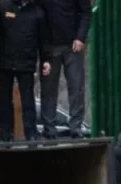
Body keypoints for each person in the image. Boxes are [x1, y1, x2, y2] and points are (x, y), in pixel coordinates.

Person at [0, 0, 51, 142]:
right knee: (4, 100)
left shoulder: (38, 12)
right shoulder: (2, 6)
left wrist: (46, 60)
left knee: (28, 101)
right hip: (3, 62)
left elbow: (43, 40)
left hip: (26, 63)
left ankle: (31, 134)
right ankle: (5, 135)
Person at [38, 0, 91, 140]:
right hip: (50, 46)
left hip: (72, 45)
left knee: (76, 87)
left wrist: (80, 37)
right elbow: (37, 13)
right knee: (48, 89)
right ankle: (49, 128)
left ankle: (76, 126)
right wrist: (43, 49)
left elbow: (86, 12)